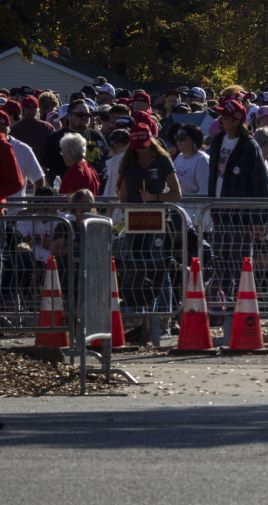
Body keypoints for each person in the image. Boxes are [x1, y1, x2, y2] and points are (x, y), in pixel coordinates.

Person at [205, 97, 268, 327]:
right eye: (221, 115)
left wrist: (259, 219)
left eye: (226, 115)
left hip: (241, 215)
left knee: (240, 261)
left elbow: (260, 184)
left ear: (237, 119)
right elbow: (214, 176)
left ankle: (240, 308)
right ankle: (220, 307)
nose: (221, 119)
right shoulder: (217, 142)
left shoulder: (249, 145)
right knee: (220, 259)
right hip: (220, 211)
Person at [115, 123, 183, 342]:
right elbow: (123, 195)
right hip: (135, 223)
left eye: (144, 147)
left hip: (159, 221)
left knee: (160, 268)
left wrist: (154, 198)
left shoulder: (163, 160)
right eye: (137, 147)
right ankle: (141, 319)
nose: (141, 151)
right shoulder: (129, 162)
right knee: (136, 268)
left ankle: (164, 319)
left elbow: (176, 194)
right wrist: (127, 211)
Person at [43, 100, 109, 192]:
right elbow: (44, 167)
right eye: (80, 115)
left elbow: (106, 162)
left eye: (88, 115)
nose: (85, 118)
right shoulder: (55, 139)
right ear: (69, 116)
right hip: (62, 194)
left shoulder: (96, 136)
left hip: (94, 193)